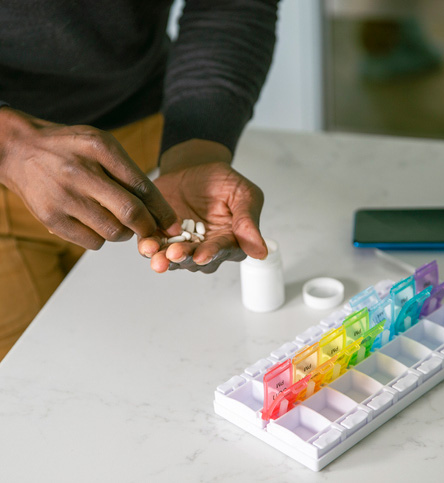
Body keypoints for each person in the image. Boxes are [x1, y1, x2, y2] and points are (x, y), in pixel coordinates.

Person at [0, 0, 280, 360]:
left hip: (144, 143)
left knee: (136, 362)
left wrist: (195, 151)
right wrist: (8, 145)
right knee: (27, 383)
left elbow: (229, 6)